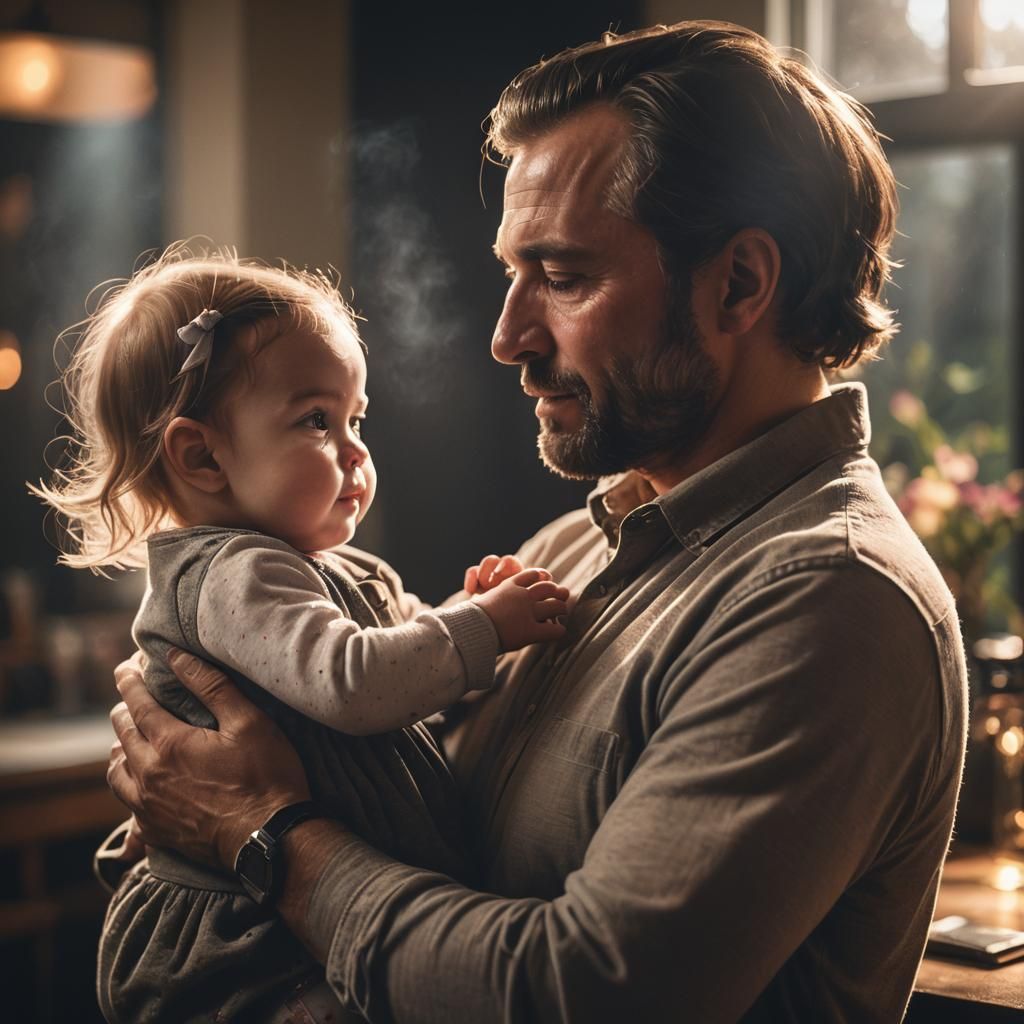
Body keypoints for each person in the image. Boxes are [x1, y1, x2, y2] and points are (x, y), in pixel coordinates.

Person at [106, 21, 968, 1023]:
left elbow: (581, 994)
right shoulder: (573, 551)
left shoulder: (826, 598)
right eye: (514, 273)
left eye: (561, 277)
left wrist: (264, 835)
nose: (507, 335)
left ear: (737, 282)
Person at [32, 248, 569, 1022]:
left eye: (356, 418)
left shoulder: (323, 568)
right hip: (247, 944)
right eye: (316, 421)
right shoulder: (233, 573)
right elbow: (353, 681)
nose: (355, 450)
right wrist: (479, 627)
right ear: (200, 454)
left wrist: (455, 619)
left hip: (299, 916)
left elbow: (404, 674)